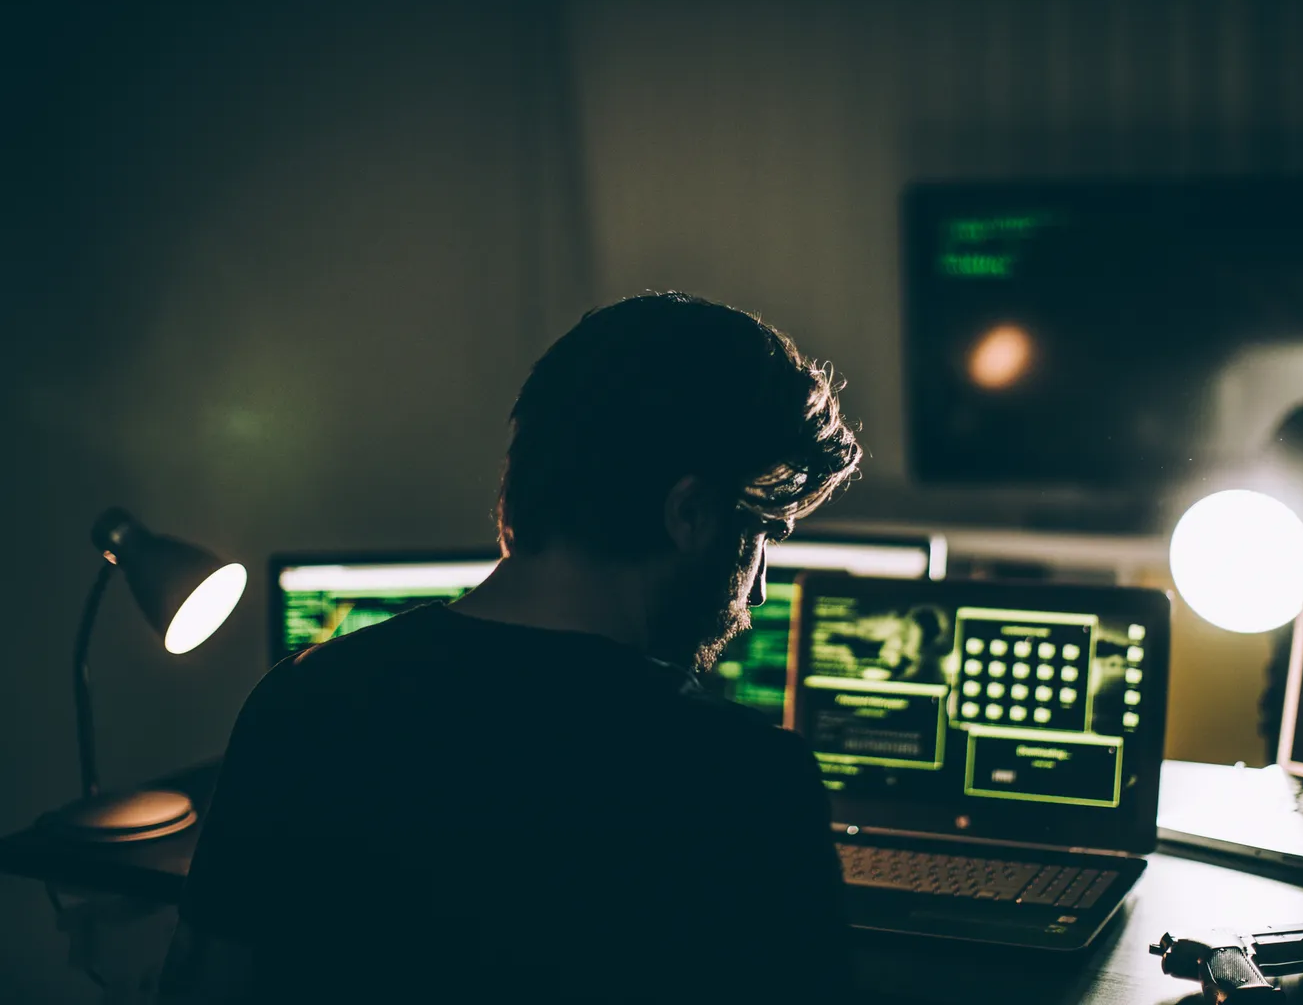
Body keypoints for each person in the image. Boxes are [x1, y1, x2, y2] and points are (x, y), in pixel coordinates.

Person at [158, 293, 863, 1003]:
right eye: (763, 537)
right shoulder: (745, 780)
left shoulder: (298, 702)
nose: (760, 590)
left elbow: (202, 986)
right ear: (689, 513)